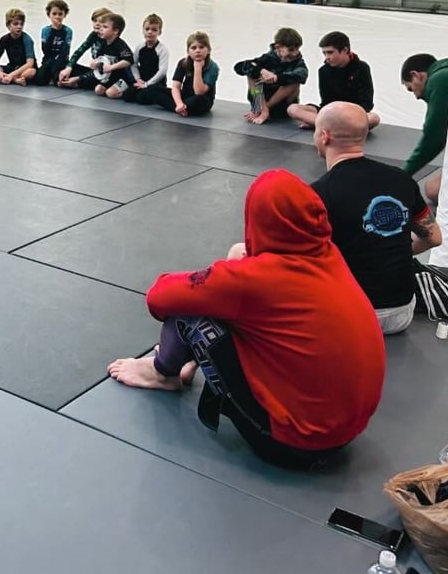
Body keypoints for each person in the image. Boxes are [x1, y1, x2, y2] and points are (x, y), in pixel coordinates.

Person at [107, 169, 384, 469]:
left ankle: (162, 373)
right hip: (346, 431)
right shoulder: (329, 255)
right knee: (243, 289)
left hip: (291, 443)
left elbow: (160, 296)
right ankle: (188, 357)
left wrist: (223, 277)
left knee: (188, 313)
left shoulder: (255, 280)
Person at [310, 102, 439, 334]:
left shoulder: (319, 192)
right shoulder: (401, 179)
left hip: (351, 317)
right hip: (402, 313)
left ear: (324, 136)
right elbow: (433, 237)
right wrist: (389, 249)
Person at [401, 53, 448, 266]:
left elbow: (433, 137)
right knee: (432, 189)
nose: (415, 96)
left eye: (410, 88)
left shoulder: (440, 80)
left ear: (417, 76)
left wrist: (401, 175)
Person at [287, 32, 379, 130]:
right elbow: (326, 101)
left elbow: (367, 102)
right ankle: (337, 126)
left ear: (344, 50)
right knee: (293, 109)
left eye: (330, 52)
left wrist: (347, 113)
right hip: (331, 113)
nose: (327, 57)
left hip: (353, 113)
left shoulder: (362, 68)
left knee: (374, 118)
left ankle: (322, 124)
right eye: (324, 53)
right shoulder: (323, 71)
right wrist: (331, 113)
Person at [233, 27, 308, 125]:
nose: (295, 53)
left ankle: (264, 110)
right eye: (291, 50)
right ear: (278, 47)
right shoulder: (268, 58)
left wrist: (276, 78)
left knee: (294, 81)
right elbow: (239, 67)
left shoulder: (298, 63)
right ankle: (262, 108)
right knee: (251, 73)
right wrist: (261, 71)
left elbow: (302, 75)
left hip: (282, 106)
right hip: (260, 101)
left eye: (297, 49)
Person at [144, 31, 218, 117]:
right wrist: (179, 103)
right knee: (152, 89)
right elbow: (176, 87)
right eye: (193, 48)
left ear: (208, 50)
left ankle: (182, 107)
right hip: (185, 95)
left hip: (202, 98)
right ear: (188, 51)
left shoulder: (212, 67)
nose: (197, 51)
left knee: (197, 100)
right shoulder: (183, 63)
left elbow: (199, 92)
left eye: (201, 47)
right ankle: (181, 108)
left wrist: (198, 68)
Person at [57, 7, 111, 88]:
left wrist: (77, 79)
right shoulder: (94, 35)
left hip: (105, 73)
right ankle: (74, 81)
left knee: (93, 78)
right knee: (65, 65)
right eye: (95, 21)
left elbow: (103, 70)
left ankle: (77, 83)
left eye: (101, 22)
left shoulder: (108, 39)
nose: (97, 24)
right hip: (95, 70)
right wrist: (69, 67)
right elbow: (80, 51)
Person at [126, 14, 169, 104]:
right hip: (142, 80)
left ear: (159, 32)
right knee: (127, 95)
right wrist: (138, 79)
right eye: (147, 29)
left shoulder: (162, 49)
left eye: (154, 30)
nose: (150, 32)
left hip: (156, 83)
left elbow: (162, 71)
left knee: (142, 98)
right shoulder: (140, 47)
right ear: (143, 31)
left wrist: (147, 84)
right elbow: (134, 64)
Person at [0, 8, 37, 86]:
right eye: (15, 24)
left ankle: (9, 78)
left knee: (31, 72)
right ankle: (14, 80)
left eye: (21, 24)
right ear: (8, 26)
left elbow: (30, 63)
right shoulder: (4, 39)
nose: (19, 27)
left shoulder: (27, 39)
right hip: (12, 67)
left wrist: (11, 75)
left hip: (24, 69)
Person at [35, 0, 72, 87]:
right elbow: (45, 50)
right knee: (39, 80)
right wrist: (54, 30)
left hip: (61, 61)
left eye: (60, 14)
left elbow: (65, 51)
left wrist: (57, 64)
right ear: (49, 15)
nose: (57, 17)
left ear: (64, 15)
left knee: (57, 79)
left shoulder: (67, 31)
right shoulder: (45, 30)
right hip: (48, 60)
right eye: (54, 14)